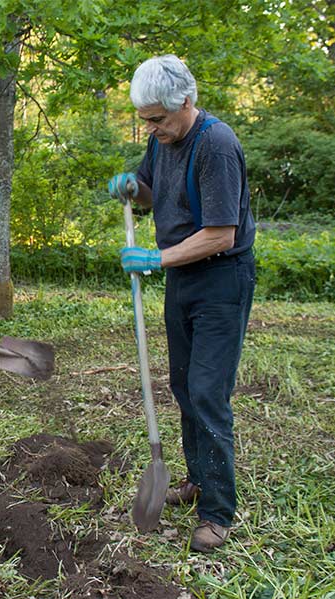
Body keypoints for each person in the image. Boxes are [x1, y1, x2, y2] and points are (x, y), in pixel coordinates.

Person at [108, 55, 256, 552]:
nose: (150, 128)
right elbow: (153, 193)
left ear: (186, 102)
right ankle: (196, 479)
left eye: (158, 119)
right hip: (182, 277)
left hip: (220, 278)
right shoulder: (162, 137)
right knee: (182, 385)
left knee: (208, 391)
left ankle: (217, 512)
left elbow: (220, 234)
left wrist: (155, 256)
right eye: (145, 119)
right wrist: (134, 186)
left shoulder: (216, 144)